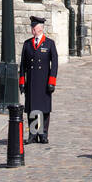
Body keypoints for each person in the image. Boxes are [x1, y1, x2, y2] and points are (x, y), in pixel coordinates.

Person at [18, 15, 58, 143]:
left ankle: (44, 134)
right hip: (31, 82)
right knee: (32, 108)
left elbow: (55, 64)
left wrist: (52, 82)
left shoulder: (49, 43)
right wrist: (22, 82)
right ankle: (33, 134)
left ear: (40, 28)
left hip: (44, 82)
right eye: (32, 27)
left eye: (34, 27)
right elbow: (23, 65)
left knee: (44, 109)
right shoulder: (27, 44)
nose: (32, 29)